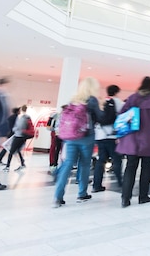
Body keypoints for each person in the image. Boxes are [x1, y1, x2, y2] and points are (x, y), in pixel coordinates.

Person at [116, 77, 150, 207]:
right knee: (147, 169)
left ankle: (125, 199)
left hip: (132, 141)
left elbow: (122, 115)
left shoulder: (132, 99)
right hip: (149, 140)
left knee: (130, 168)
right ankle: (143, 197)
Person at [53, 77, 102, 208]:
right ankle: (82, 193)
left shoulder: (73, 100)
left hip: (70, 137)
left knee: (67, 165)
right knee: (85, 164)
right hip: (86, 137)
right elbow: (100, 117)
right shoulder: (92, 100)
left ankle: (58, 197)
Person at [92, 85, 124, 193]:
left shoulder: (101, 102)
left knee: (100, 161)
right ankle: (120, 182)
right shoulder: (118, 102)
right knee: (117, 159)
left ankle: (97, 185)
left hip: (100, 136)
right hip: (112, 136)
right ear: (116, 92)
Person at [4, 105, 33, 172]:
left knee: (11, 151)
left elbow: (19, 127)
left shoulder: (22, 117)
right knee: (17, 150)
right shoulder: (28, 117)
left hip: (18, 136)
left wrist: (14, 129)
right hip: (23, 136)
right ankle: (22, 164)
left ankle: (7, 166)